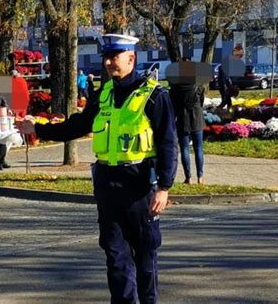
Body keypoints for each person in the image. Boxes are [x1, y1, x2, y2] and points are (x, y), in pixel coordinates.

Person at [17, 33, 178, 303]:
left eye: (114, 57)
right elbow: (77, 126)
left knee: (145, 255)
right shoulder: (102, 94)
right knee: (115, 256)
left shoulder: (153, 95)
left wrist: (164, 187)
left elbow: (168, 142)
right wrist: (39, 128)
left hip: (140, 184)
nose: (108, 63)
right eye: (106, 57)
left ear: (131, 58)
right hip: (108, 184)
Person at [169, 64, 205, 185]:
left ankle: (188, 177)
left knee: (184, 148)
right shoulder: (199, 85)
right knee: (198, 148)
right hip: (197, 117)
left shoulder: (175, 87)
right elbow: (201, 101)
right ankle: (200, 176)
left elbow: (172, 104)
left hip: (182, 117)